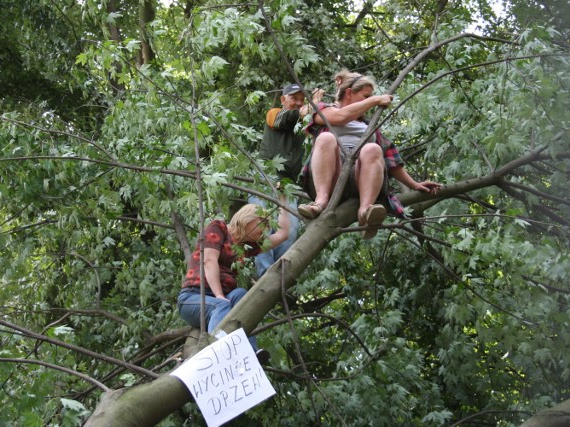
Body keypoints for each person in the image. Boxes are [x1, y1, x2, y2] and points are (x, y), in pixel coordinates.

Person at [298, 69, 441, 239]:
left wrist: (415, 184)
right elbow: (339, 117)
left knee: (373, 148)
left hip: (361, 177)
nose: (369, 101)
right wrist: (374, 101)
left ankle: (365, 212)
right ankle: (320, 201)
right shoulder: (324, 109)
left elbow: (391, 161)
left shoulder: (369, 126)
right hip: (333, 178)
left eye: (370, 97)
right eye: (365, 96)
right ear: (349, 93)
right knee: (326, 138)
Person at [177, 203, 290, 363]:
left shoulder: (246, 246)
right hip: (193, 297)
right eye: (262, 223)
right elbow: (209, 261)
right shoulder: (218, 228)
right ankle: (220, 353)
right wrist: (218, 295)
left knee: (241, 295)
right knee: (221, 305)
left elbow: (283, 234)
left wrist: (283, 200)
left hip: (223, 297)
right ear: (247, 219)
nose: (265, 230)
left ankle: (251, 352)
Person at [249, 83, 324, 277]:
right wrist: (314, 102)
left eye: (302, 99)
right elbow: (292, 116)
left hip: (289, 184)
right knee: (262, 225)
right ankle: (264, 276)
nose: (298, 103)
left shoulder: (302, 124)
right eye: (294, 98)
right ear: (283, 100)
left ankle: (277, 277)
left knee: (289, 232)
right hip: (268, 176)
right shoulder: (274, 114)